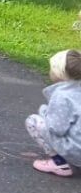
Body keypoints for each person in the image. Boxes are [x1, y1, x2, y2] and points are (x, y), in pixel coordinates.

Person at [25, 49, 81, 177]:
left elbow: (56, 129)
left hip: (76, 150)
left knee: (33, 121)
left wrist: (44, 111)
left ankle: (59, 163)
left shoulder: (62, 95)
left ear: (59, 74)